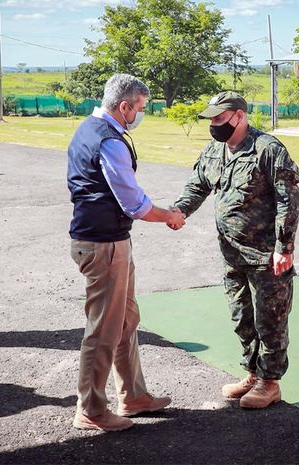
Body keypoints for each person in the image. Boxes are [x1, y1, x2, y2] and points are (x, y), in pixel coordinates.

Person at [67, 74, 183, 432]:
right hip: (104, 246)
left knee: (126, 319)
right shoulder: (109, 141)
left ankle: (133, 396)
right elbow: (133, 203)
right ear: (124, 107)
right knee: (103, 329)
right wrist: (170, 217)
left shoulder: (89, 127)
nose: (141, 115)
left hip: (108, 240)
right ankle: (91, 410)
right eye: (141, 108)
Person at [172, 91, 299, 410]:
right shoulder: (216, 150)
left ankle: (269, 382)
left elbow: (289, 199)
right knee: (241, 316)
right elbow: (198, 184)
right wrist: (179, 211)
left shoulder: (267, 149)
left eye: (219, 118)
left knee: (269, 320)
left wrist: (284, 246)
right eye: (212, 119)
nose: (214, 124)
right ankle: (251, 373)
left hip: (266, 257)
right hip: (232, 255)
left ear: (238, 116)